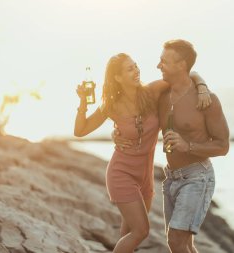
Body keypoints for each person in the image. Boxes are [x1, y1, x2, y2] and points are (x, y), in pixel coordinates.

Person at [73, 52, 211, 253]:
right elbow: (80, 130)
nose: (136, 70)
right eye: (129, 69)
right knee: (141, 231)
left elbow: (188, 75)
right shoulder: (111, 106)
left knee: (128, 235)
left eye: (136, 65)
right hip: (121, 173)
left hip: (144, 177)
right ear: (118, 78)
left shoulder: (152, 91)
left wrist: (202, 88)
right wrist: (83, 103)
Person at [114, 39, 230, 253]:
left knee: (177, 241)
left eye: (164, 62)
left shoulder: (206, 100)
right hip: (172, 177)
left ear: (181, 65)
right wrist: (117, 132)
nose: (158, 66)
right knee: (182, 243)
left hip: (198, 176)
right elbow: (130, 114)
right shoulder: (159, 97)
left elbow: (223, 146)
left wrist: (188, 146)